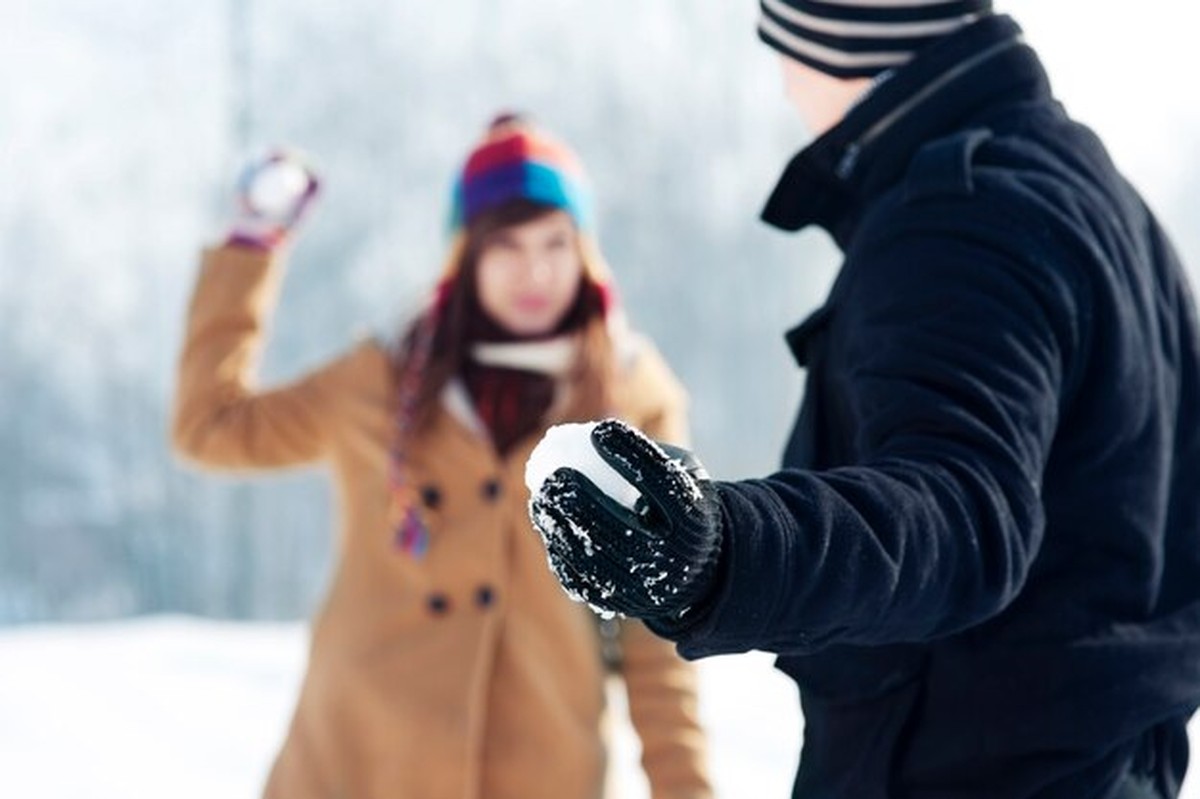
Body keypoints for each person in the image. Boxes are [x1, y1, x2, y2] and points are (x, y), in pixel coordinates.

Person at [527, 5, 1200, 799]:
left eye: (784, 42)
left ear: (844, 36)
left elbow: (958, 508)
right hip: (1100, 765)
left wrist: (726, 553)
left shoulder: (963, 215)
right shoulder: (1093, 196)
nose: (783, 80)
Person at [172, 114, 713, 799]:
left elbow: (658, 631)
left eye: (556, 242)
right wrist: (252, 246)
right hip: (357, 765)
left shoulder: (632, 400)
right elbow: (212, 426)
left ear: (585, 249)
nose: (536, 271)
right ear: (466, 253)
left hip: (542, 772)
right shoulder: (382, 379)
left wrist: (685, 787)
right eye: (506, 245)